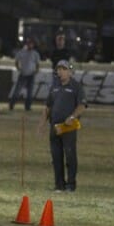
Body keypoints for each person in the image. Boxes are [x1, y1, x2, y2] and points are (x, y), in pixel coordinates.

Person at [40, 60, 86, 192]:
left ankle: (71, 185)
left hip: (68, 127)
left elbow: (82, 105)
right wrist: (42, 124)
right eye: (58, 69)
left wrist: (72, 117)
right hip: (54, 127)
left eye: (63, 69)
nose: (60, 71)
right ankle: (59, 185)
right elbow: (48, 106)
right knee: (56, 156)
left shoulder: (76, 86)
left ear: (70, 71)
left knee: (70, 155)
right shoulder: (54, 87)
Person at [10, 39, 41, 111]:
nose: (30, 45)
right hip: (23, 74)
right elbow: (16, 61)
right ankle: (11, 105)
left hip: (31, 75)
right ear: (27, 44)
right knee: (17, 91)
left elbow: (37, 64)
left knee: (30, 93)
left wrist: (36, 71)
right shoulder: (21, 52)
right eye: (29, 43)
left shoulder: (35, 53)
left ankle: (28, 107)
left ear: (33, 45)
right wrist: (18, 68)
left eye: (31, 44)